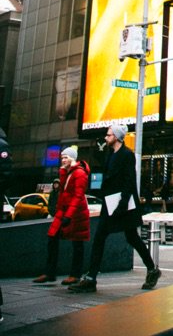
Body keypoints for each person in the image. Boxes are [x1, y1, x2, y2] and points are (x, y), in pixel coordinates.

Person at [69, 125, 160, 293]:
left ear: (117, 137)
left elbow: (129, 181)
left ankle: (152, 269)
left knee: (132, 238)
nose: (106, 138)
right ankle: (91, 278)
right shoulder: (110, 154)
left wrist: (123, 204)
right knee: (101, 238)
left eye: (109, 135)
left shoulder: (127, 155)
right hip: (110, 203)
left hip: (122, 205)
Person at [34, 147, 90, 287]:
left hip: (77, 213)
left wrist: (69, 215)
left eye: (66, 157)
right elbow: (63, 193)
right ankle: (50, 272)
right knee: (52, 237)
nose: (63, 160)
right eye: (62, 157)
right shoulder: (65, 171)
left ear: (73, 158)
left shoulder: (79, 173)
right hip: (64, 212)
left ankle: (75, 275)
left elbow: (78, 196)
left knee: (78, 243)